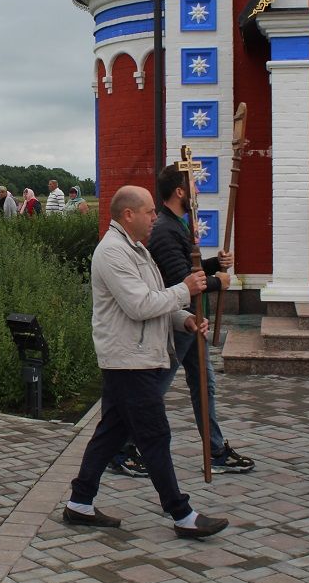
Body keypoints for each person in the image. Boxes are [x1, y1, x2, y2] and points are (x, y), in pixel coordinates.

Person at [63, 185, 228, 539]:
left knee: (111, 434)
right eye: (150, 212)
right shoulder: (112, 253)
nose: (155, 218)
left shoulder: (135, 249)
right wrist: (186, 289)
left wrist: (183, 319)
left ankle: (79, 502)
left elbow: (154, 301)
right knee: (154, 435)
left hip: (135, 356)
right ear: (128, 215)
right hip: (129, 360)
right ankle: (181, 513)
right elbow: (139, 305)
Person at [146, 164, 252, 474]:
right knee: (154, 389)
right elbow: (181, 280)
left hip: (193, 319)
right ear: (179, 192)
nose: (197, 191)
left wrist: (214, 263)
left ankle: (216, 449)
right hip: (179, 321)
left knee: (204, 384)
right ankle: (123, 445)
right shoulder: (165, 230)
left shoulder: (176, 225)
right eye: (192, 186)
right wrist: (219, 281)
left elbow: (189, 267)